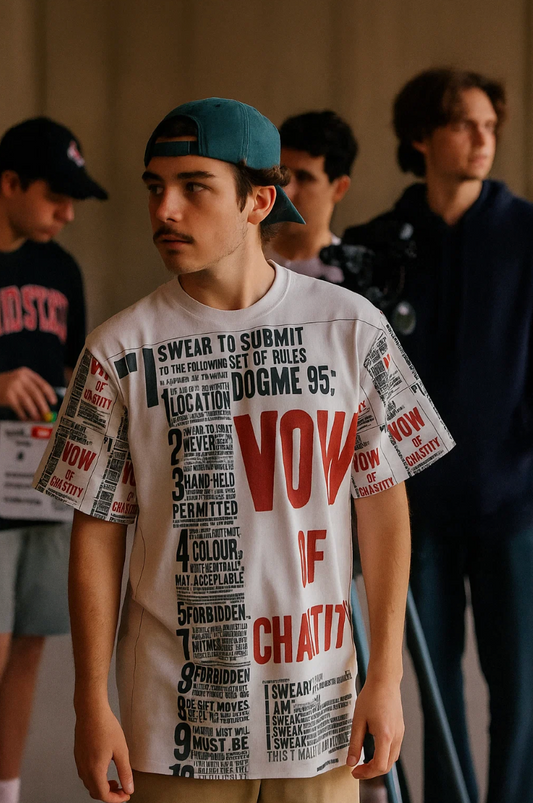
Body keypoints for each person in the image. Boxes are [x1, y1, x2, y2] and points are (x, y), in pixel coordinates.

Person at [33, 97, 453, 803]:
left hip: (319, 717)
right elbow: (97, 532)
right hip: (172, 725)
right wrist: (89, 700)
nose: (164, 208)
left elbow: (381, 507)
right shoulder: (117, 350)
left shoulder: (350, 328)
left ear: (259, 199)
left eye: (193, 186)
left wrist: (385, 677)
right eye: (153, 185)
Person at [344, 68, 533, 803]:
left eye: (490, 125)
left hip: (512, 505)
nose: (483, 138)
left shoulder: (525, 233)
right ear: (420, 136)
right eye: (464, 124)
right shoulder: (375, 245)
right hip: (410, 511)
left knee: (518, 690)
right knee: (426, 689)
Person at [0, 116, 108, 803]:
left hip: (41, 485)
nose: (67, 214)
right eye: (54, 196)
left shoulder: (60, 269)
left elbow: (71, 370)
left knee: (31, 643)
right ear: (9, 184)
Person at [267, 110, 357, 282]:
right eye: (280, 173)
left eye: (304, 178)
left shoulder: (348, 278)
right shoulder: (239, 262)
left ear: (339, 188)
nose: (285, 191)